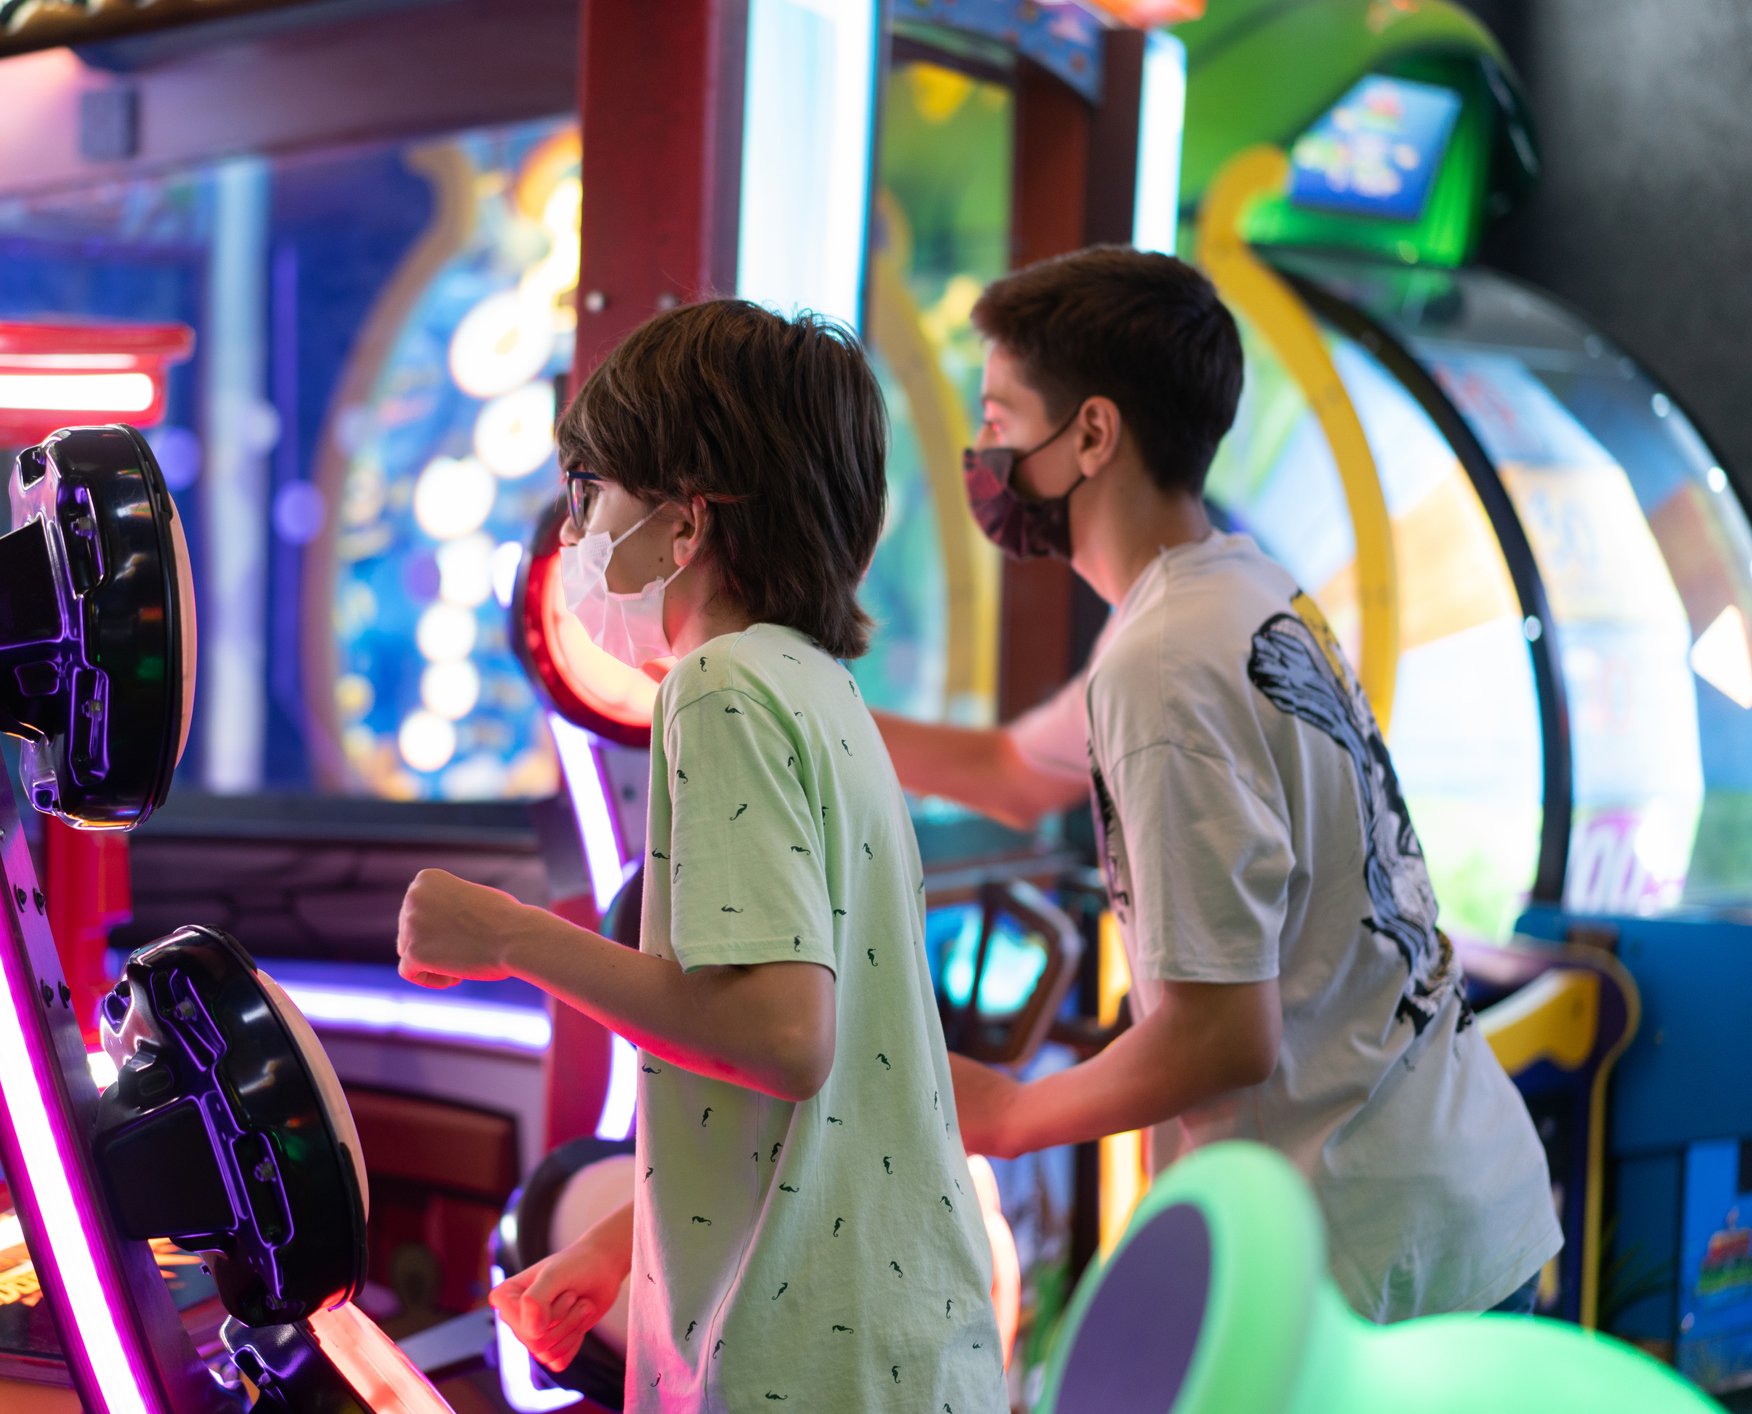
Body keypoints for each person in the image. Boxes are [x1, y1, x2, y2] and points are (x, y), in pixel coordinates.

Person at [879, 247, 1560, 1322]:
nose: (984, 453)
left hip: (1357, 1250)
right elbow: (1012, 772)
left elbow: (1221, 1034)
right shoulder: (1230, 590)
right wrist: (799, 711)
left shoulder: (1162, 662)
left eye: (1000, 418)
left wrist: (1007, 1113)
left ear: (1091, 433)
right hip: (1449, 1193)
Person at [394, 299, 1005, 1408]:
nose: (572, 534)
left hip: (795, 1359)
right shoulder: (823, 694)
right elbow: (844, 1093)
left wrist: (507, 934)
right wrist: (618, 1245)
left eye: (590, 494)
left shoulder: (717, 688)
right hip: (893, 1333)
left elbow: (776, 1038)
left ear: (686, 526)